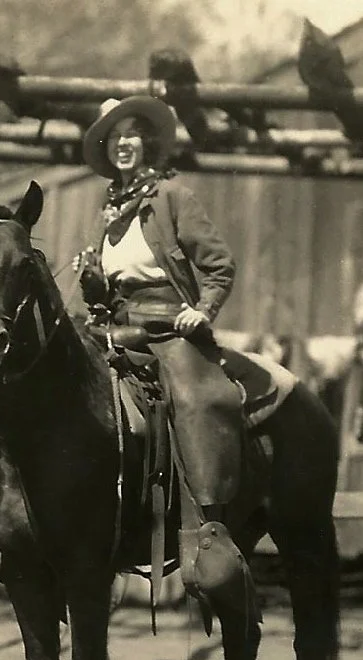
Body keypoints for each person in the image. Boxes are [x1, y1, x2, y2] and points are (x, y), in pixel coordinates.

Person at [74, 95, 242, 537]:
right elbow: (103, 288)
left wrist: (201, 310)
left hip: (168, 323)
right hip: (114, 324)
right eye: (113, 136)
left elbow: (219, 265)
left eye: (130, 133)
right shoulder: (108, 210)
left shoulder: (172, 197)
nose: (122, 143)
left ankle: (211, 524)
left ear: (146, 140)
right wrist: (91, 276)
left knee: (194, 401)